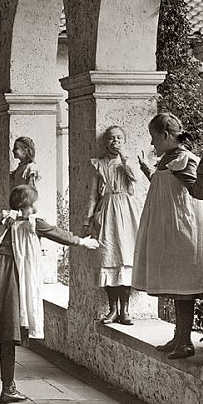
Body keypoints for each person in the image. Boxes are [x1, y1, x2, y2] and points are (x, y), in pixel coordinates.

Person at [0, 185, 98, 404]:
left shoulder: (6, 221)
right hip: (11, 278)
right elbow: (60, 235)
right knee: (8, 334)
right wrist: (84, 242)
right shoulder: (33, 224)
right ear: (26, 204)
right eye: (34, 201)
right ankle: (7, 389)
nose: (37, 205)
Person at [133, 113, 203, 360]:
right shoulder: (169, 159)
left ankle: (185, 341)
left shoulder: (184, 159)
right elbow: (162, 183)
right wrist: (145, 170)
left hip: (182, 229)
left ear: (165, 136)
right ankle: (178, 336)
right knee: (176, 284)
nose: (152, 144)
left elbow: (198, 191)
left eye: (154, 138)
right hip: (170, 230)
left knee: (183, 286)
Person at [83, 126, 142, 325]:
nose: (114, 141)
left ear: (124, 141)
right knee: (108, 256)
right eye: (110, 138)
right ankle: (113, 309)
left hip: (126, 212)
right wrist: (87, 219)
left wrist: (124, 158)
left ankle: (125, 310)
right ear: (105, 141)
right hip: (107, 210)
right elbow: (93, 196)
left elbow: (135, 179)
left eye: (118, 138)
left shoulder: (127, 162)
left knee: (125, 257)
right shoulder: (99, 165)